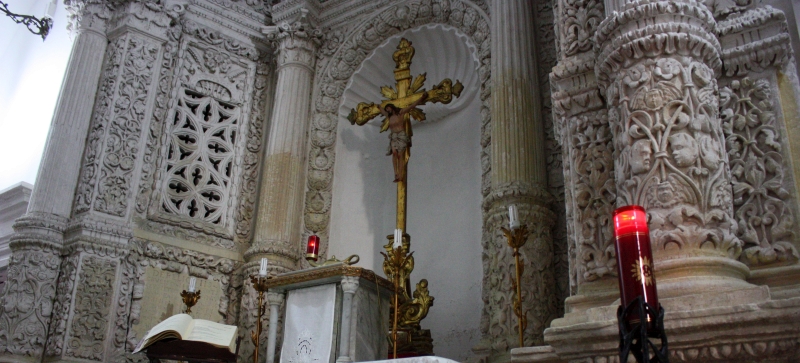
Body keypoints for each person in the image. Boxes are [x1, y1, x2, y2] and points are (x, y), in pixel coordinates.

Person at [379, 92, 429, 182]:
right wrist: (378, 107)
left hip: (401, 135)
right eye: (386, 109)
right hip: (394, 136)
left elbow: (412, 106)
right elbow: (381, 110)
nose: (387, 110)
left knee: (400, 155)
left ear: (392, 107)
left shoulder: (401, 113)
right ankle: (396, 174)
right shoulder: (389, 116)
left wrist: (421, 98)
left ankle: (401, 174)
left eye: (388, 108)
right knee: (394, 154)